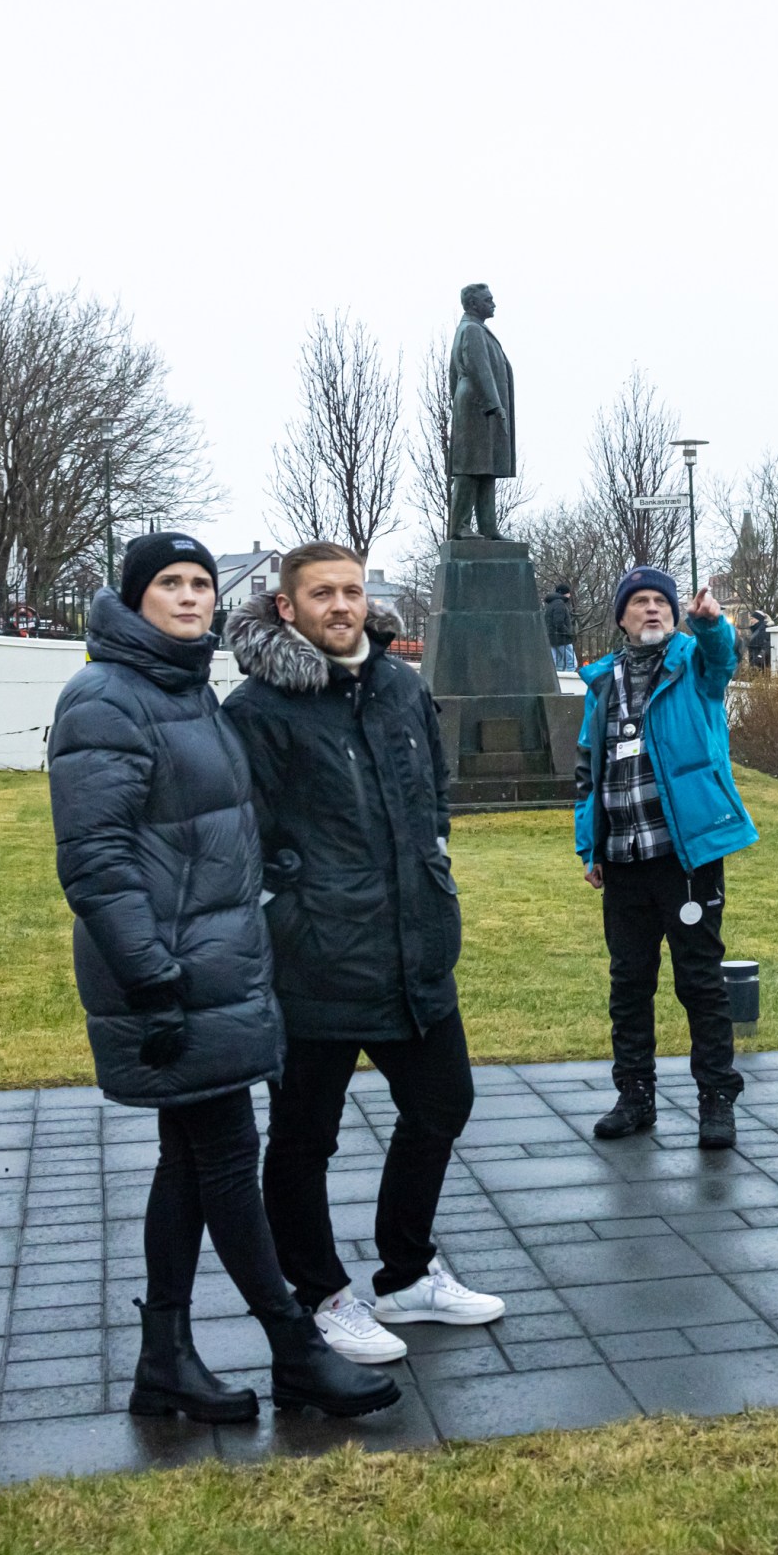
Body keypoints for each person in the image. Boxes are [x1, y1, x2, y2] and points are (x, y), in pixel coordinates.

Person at [48, 533, 399, 1423]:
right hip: (169, 977)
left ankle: (164, 1357)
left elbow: (213, 824)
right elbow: (96, 859)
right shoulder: (103, 697)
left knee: (187, 1161)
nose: (192, 597)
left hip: (212, 967)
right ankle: (296, 1349)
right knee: (229, 1158)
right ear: (134, 600)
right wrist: (153, 978)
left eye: (202, 583)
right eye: (170, 583)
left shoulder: (184, 690)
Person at [224, 542, 507, 1367]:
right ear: (288, 607)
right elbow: (244, 836)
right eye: (321, 594)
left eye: (350, 590)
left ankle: (409, 1272)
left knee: (442, 1103)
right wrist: (292, 906)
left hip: (413, 946)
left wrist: (436, 858)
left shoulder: (400, 686)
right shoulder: (257, 710)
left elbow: (435, 791)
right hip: (316, 959)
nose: (340, 605)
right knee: (305, 1137)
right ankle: (319, 1297)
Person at [575, 566, 757, 1149]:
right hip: (624, 858)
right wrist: (590, 845)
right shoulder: (602, 682)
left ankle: (716, 1101)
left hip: (685, 857)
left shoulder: (694, 665)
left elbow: (722, 657)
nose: (651, 610)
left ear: (675, 613)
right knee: (629, 982)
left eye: (661, 602)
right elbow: (588, 772)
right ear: (622, 617)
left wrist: (712, 625)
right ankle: (635, 1096)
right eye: (640, 602)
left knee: (699, 981)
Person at [546, 583, 579, 676]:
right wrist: (569, 633)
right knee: (571, 662)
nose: (570, 595)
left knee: (558, 663)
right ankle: (570, 682)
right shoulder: (559, 604)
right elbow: (559, 622)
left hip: (553, 637)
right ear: (564, 593)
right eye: (568, 593)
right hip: (562, 638)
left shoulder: (551, 604)